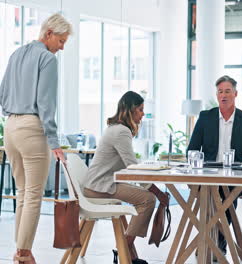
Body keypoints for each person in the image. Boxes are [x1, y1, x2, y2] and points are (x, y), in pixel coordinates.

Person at [0, 13, 71, 264]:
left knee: (22, 193)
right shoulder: (47, 59)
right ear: (49, 34)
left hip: (10, 127)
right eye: (61, 41)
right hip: (32, 127)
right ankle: (23, 253)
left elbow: (3, 92)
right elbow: (46, 104)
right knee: (33, 194)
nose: (61, 48)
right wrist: (54, 142)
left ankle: (20, 250)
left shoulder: (16, 54)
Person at [187, 75, 242, 254]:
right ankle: (212, 242)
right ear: (217, 95)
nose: (223, 95)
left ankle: (215, 241)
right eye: (220, 91)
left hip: (235, 176)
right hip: (207, 174)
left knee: (229, 202)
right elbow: (191, 149)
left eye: (227, 91)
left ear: (235, 94)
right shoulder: (206, 117)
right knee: (208, 201)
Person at [83, 91, 156, 264]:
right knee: (148, 199)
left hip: (98, 184)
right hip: (99, 188)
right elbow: (132, 166)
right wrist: (158, 192)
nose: (143, 114)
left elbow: (130, 165)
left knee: (145, 196)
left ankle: (128, 255)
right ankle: (123, 249)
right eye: (140, 109)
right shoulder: (122, 131)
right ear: (130, 110)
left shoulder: (115, 128)